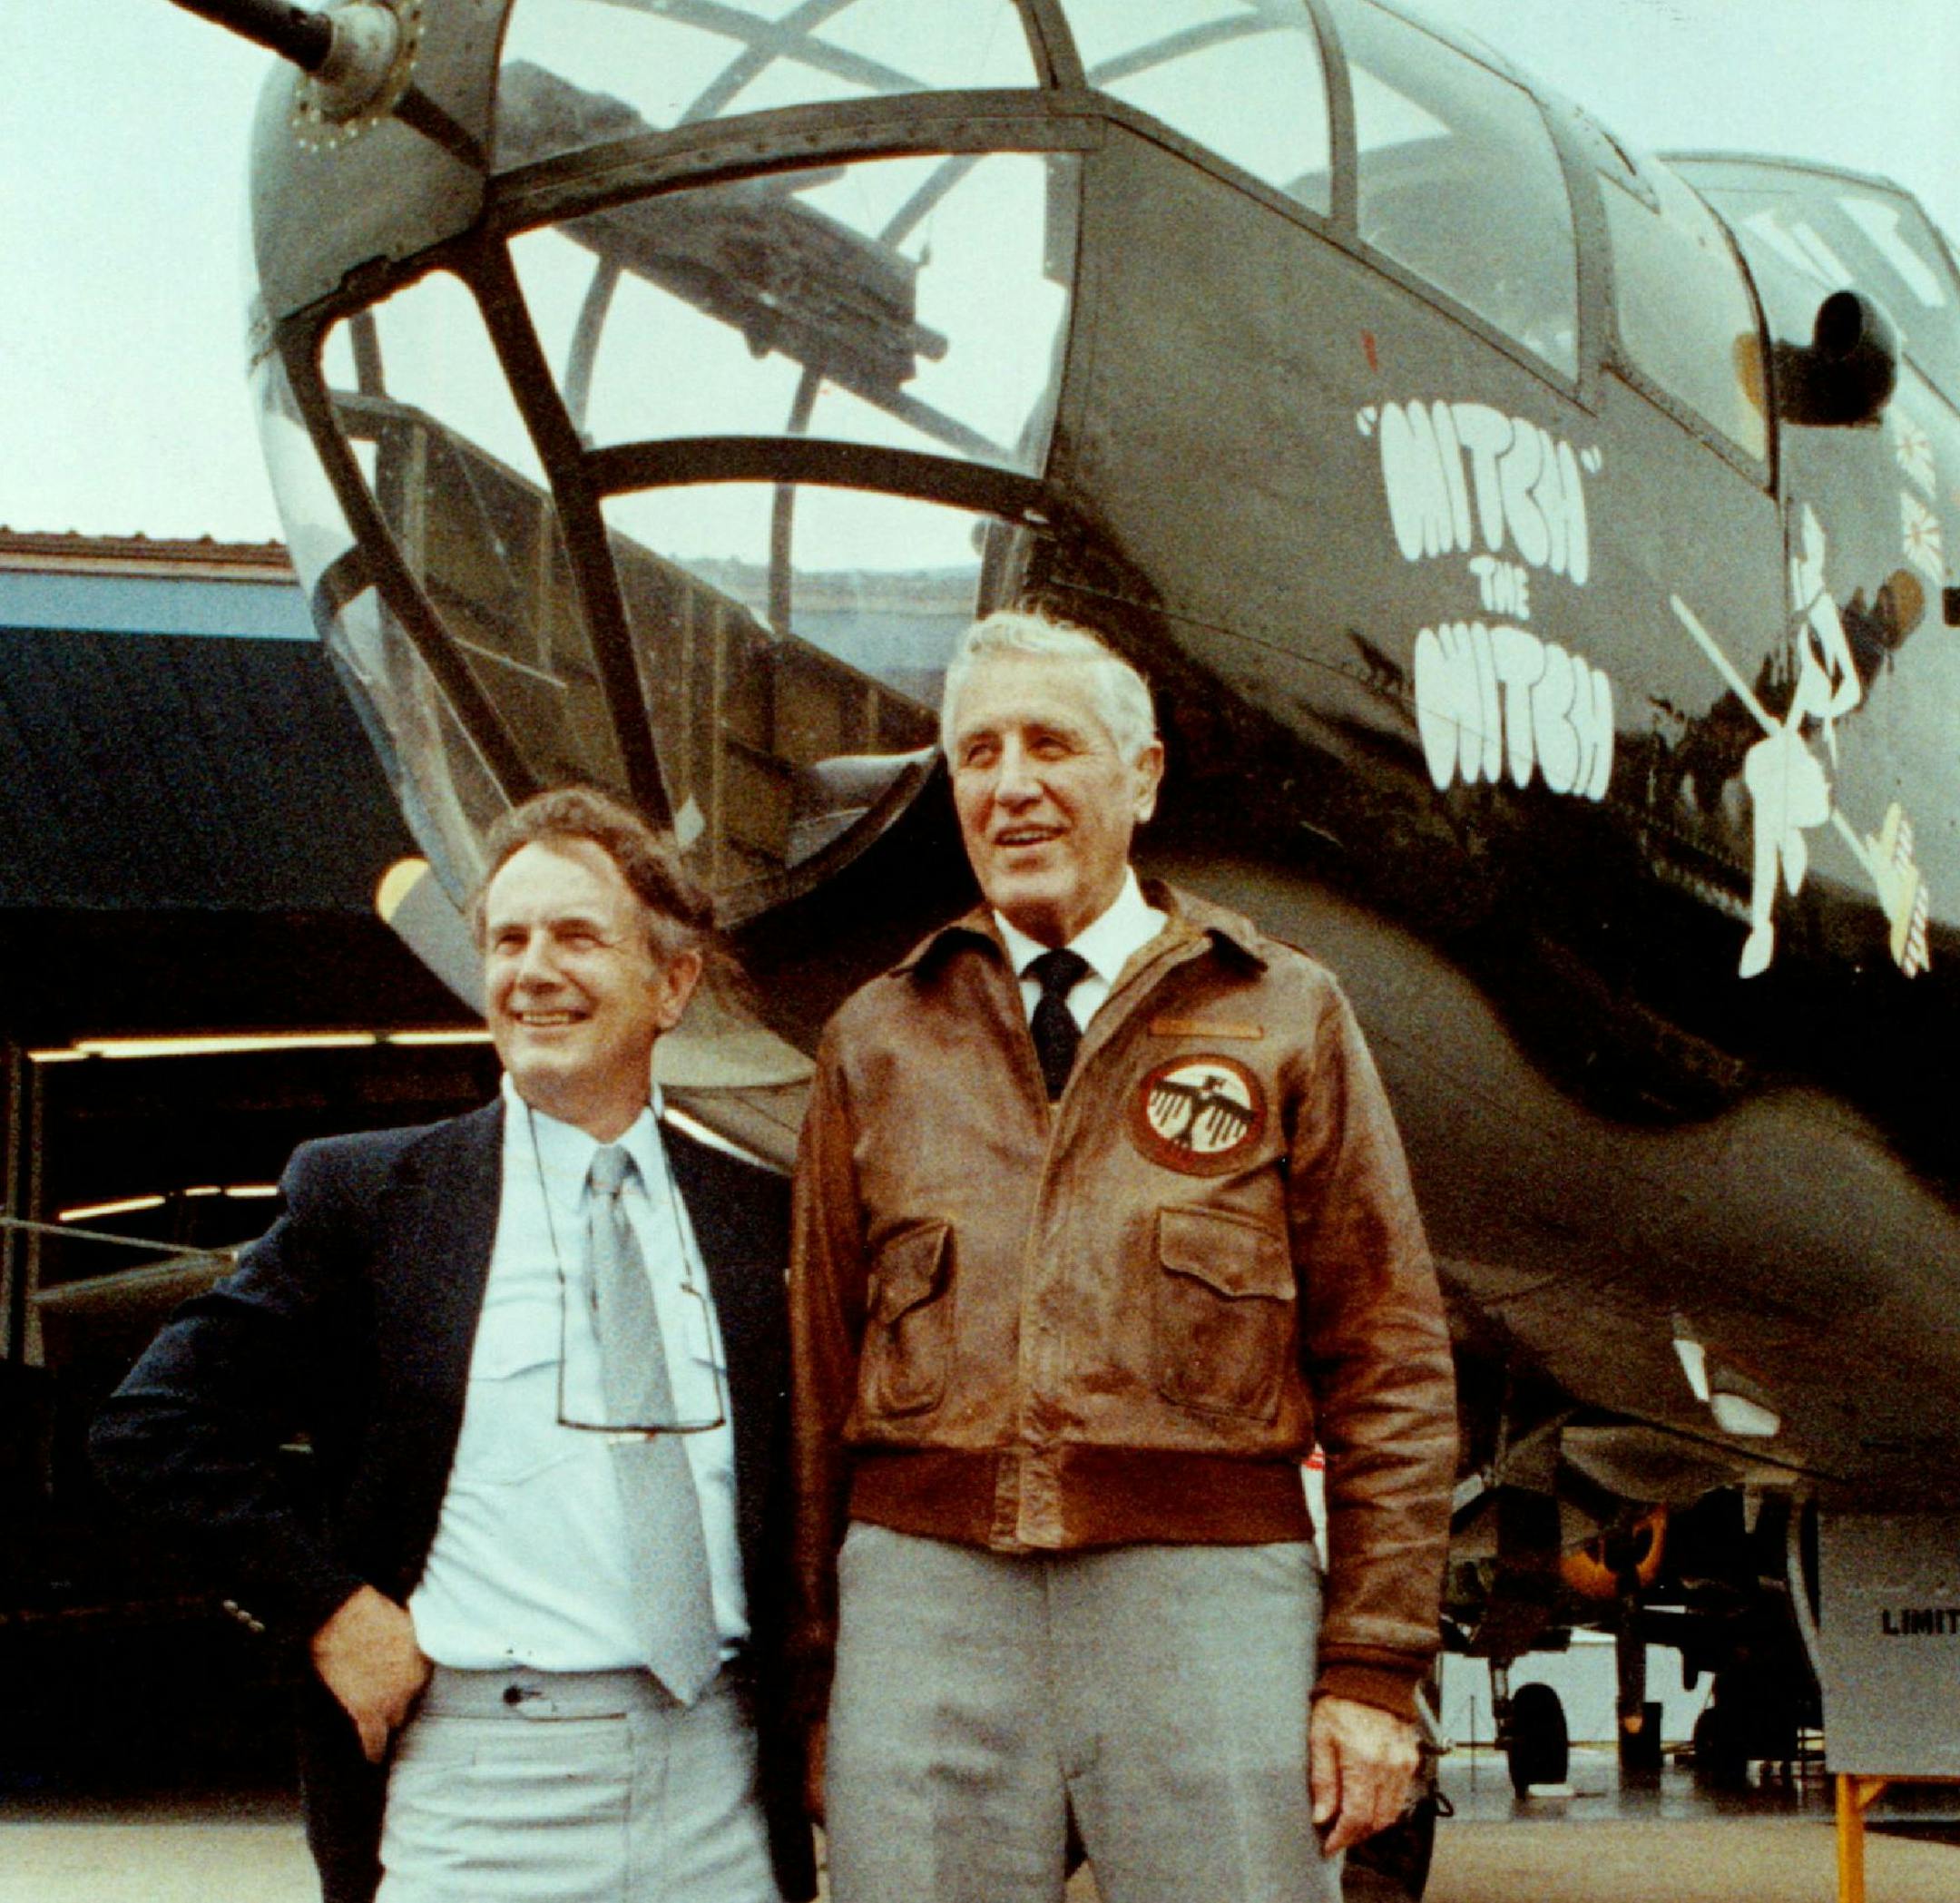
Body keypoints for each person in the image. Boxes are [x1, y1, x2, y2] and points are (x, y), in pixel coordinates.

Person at [789, 610, 1456, 1903]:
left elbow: (1390, 1361)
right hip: (924, 1612)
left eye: (1054, 744)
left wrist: (1374, 1670)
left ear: (1141, 777)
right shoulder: (875, 1038)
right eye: (978, 753)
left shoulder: (1282, 1011)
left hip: (1209, 1602)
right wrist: (817, 1676)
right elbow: (817, 1379)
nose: (1014, 783)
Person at [93, 787, 814, 1903]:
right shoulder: (375, 1197)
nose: (534, 970)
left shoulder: (759, 1216)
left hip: (718, 1785)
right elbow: (154, 1428)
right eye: (509, 940)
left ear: (673, 985)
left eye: (578, 936)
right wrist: (330, 1607)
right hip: (480, 1789)